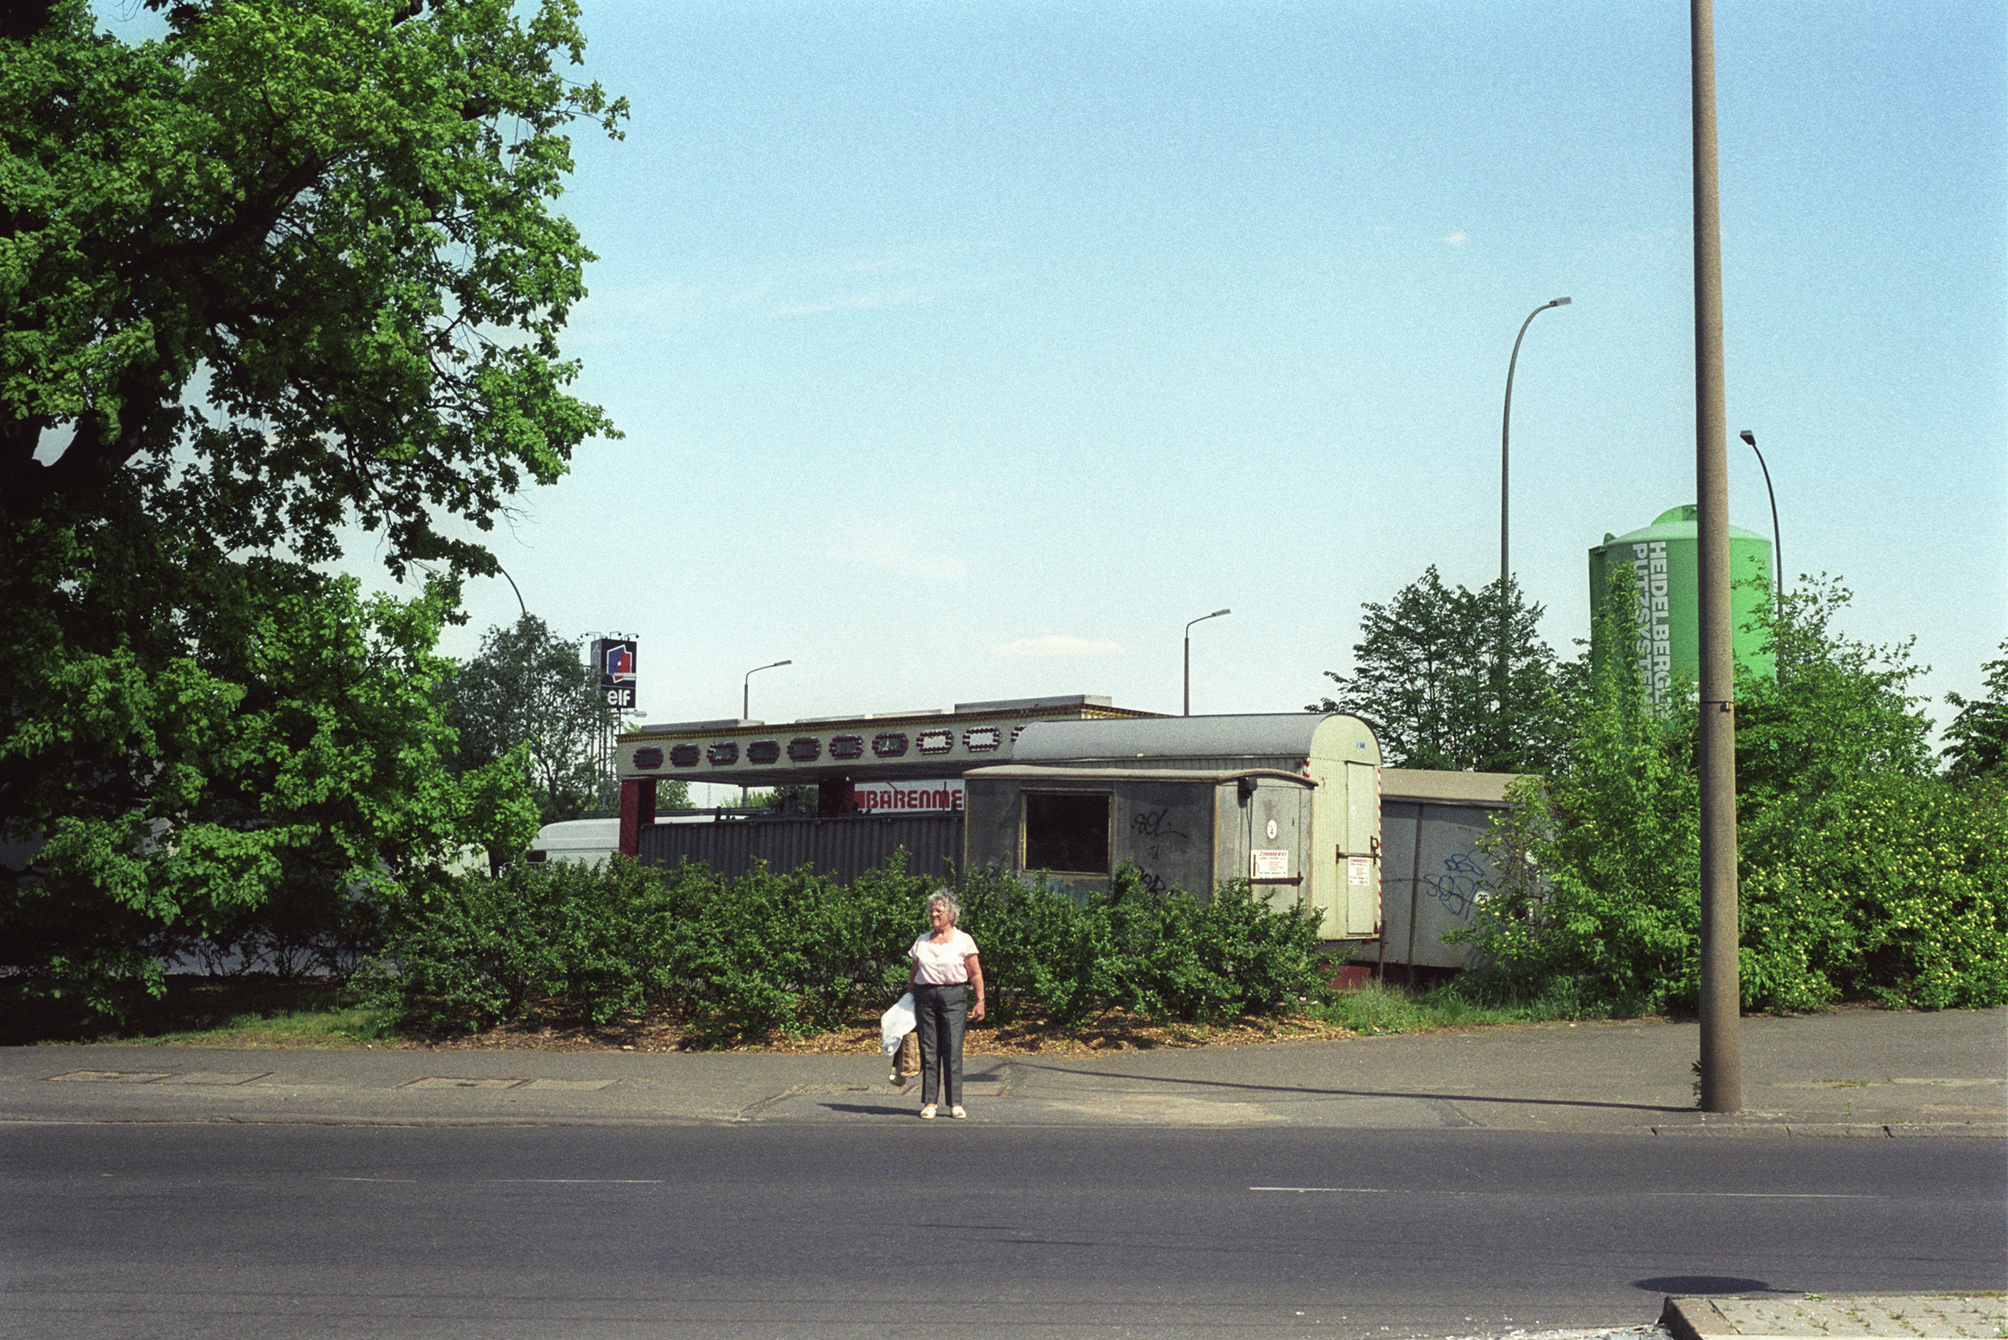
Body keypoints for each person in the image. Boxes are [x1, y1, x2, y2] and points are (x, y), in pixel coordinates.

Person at [907, 889, 984, 1119]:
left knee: (952, 1050)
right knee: (929, 1050)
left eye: (939, 911)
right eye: (931, 910)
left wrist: (980, 1000)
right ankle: (930, 1102)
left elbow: (976, 973)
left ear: (951, 915)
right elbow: (913, 973)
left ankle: (955, 1103)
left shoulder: (964, 940)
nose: (933, 914)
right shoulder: (922, 940)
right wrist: (908, 1000)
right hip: (925, 997)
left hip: (954, 997)